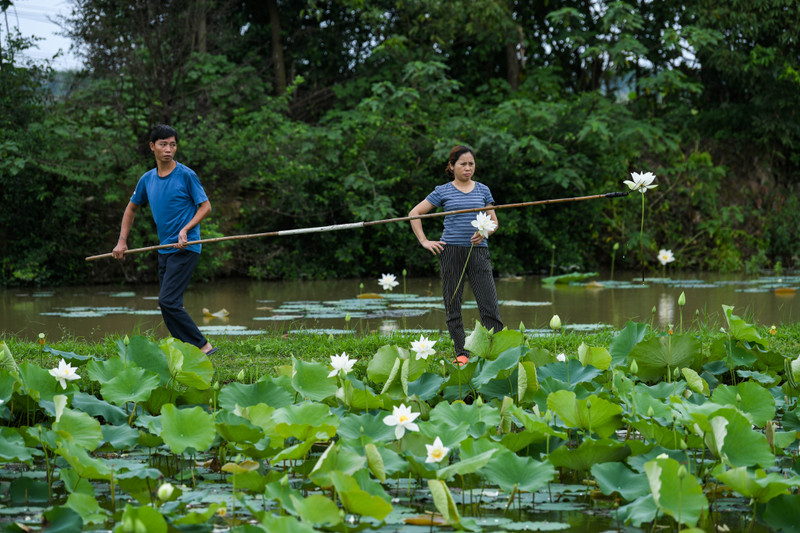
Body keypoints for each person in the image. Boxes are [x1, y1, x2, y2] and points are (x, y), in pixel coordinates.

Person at [111, 124, 216, 355]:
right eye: (163, 144)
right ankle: (186, 351)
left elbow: (205, 207)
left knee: (167, 301)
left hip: (186, 247)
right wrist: (122, 241)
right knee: (169, 305)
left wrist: (186, 229)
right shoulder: (147, 180)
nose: (169, 149)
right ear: (152, 147)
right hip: (164, 249)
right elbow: (131, 209)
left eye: (173, 144)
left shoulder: (187, 175)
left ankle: (203, 346)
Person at [409, 145, 503, 364]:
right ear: (451, 166)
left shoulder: (482, 190)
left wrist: (484, 232)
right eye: (463, 164)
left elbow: (494, 222)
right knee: (453, 303)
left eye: (471, 164)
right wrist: (424, 241)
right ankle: (462, 353)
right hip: (450, 251)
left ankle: (495, 350)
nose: (468, 168)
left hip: (478, 251)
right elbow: (414, 213)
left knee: (488, 302)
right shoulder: (442, 191)